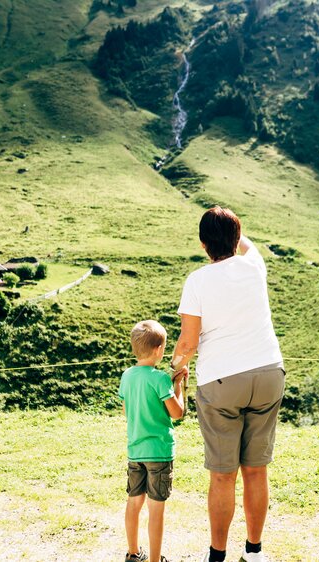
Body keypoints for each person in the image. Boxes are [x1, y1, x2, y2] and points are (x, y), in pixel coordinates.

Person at [170, 207, 285, 562]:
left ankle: (217, 556)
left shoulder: (198, 280)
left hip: (222, 381)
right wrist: (235, 233)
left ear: (203, 244)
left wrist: (175, 368)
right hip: (268, 372)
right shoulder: (254, 266)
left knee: (223, 476)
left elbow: (188, 342)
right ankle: (254, 551)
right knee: (256, 469)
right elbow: (247, 244)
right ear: (236, 239)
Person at [119, 320, 188, 562]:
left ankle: (133, 553)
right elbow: (177, 413)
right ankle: (155, 560)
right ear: (159, 350)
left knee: (134, 502)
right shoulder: (160, 379)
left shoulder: (126, 376)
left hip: (135, 452)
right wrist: (177, 385)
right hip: (159, 452)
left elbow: (127, 411)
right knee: (156, 509)